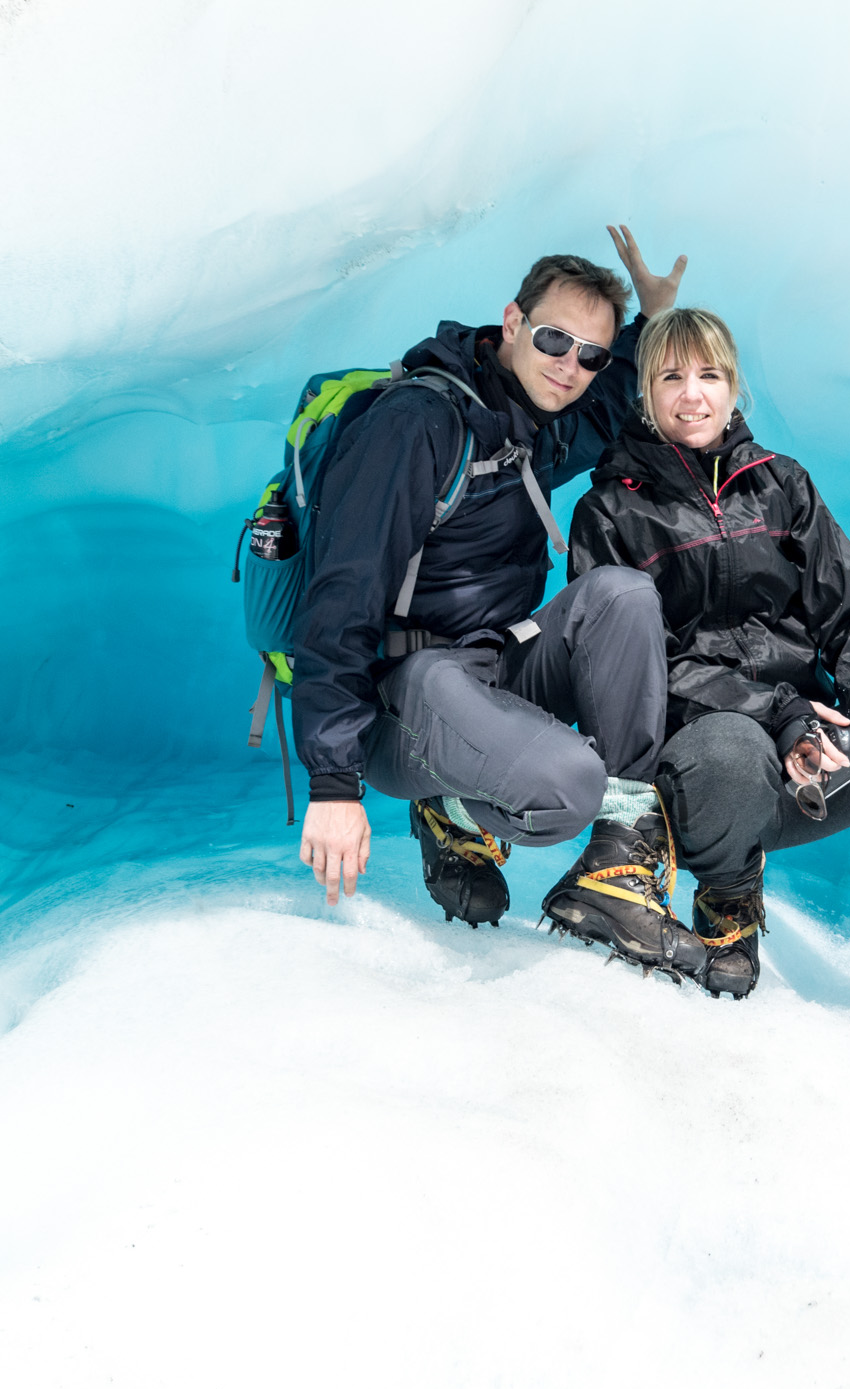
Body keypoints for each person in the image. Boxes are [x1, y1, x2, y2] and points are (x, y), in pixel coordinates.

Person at [566, 304, 850, 1032]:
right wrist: (781, 713)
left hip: (814, 765)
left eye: (710, 375)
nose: (692, 395)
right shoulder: (608, 509)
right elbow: (642, 667)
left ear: (734, 386)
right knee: (733, 746)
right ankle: (727, 897)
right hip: (706, 770)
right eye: (671, 377)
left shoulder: (781, 485)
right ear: (644, 391)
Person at [291, 228, 707, 980]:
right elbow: (342, 596)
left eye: (590, 354)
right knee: (567, 786)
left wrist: (649, 320)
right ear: (512, 322)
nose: (570, 366)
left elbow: (608, 404)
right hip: (404, 694)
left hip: (491, 666)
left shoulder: (535, 422)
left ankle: (617, 863)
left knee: (622, 595)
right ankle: (447, 806)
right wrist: (332, 784)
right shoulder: (418, 425)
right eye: (555, 340)